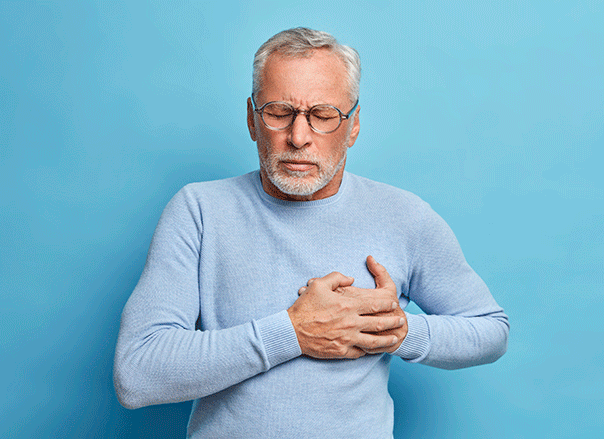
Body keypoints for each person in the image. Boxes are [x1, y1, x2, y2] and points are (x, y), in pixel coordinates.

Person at [114, 27, 509, 438]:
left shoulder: (405, 216)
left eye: (322, 116)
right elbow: (138, 372)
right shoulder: (199, 210)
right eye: (278, 113)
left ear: (353, 125)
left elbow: (491, 330)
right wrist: (293, 332)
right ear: (251, 119)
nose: (299, 138)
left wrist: (397, 330)